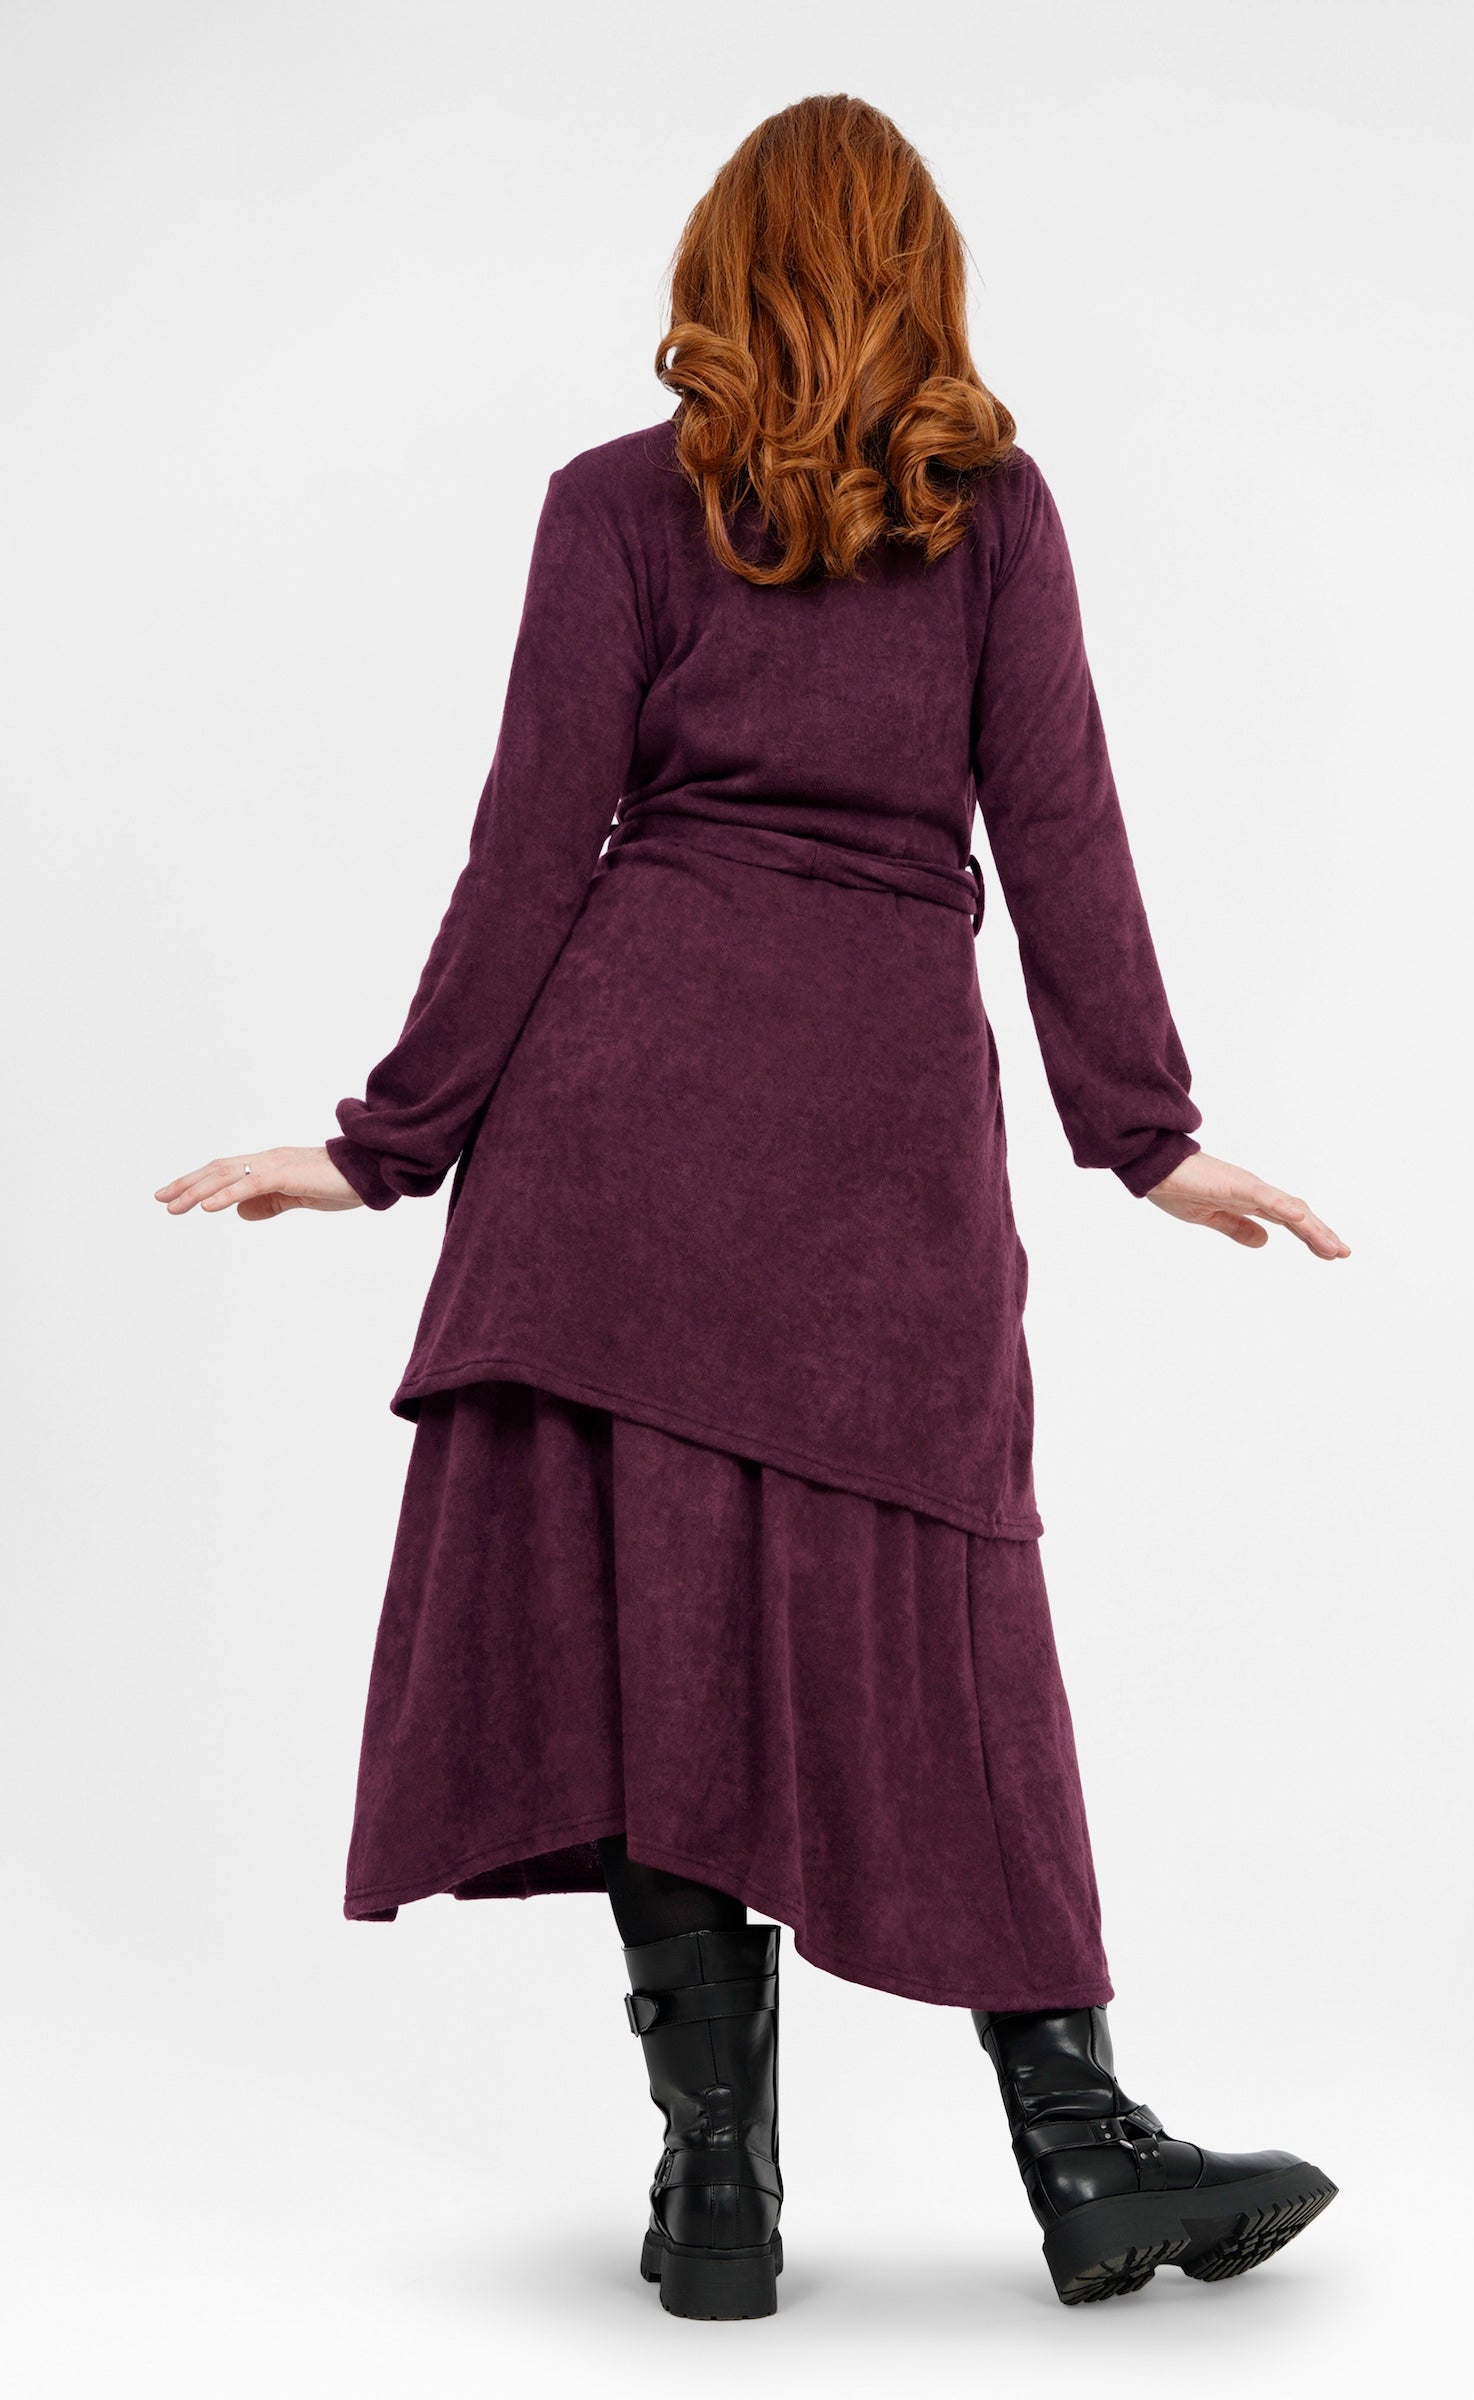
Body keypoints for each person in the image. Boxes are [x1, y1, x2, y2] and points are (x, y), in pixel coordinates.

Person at [156, 94, 1349, 2321]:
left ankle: (716, 2188)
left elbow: (533, 844)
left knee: (661, 1640)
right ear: (923, 276)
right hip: (874, 1153)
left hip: (616, 1140)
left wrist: (392, 1141)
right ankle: (1081, 2145)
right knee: (952, 1628)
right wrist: (1146, 1131)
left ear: (717, 272)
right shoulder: (991, 516)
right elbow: (1063, 829)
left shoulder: (617, 503)